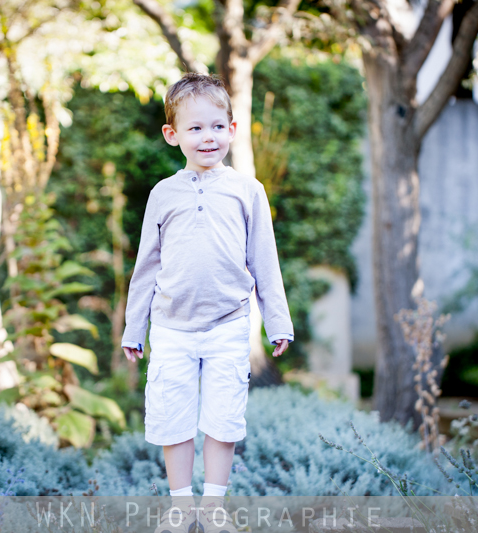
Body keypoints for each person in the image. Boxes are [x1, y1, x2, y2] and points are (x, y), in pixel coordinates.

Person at [121, 72, 294, 533]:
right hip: (171, 328)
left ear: (232, 130)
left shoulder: (247, 191)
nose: (208, 137)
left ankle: (214, 508)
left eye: (218, 126)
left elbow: (265, 261)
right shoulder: (163, 194)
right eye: (195, 128)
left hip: (228, 326)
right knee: (172, 419)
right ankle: (181, 508)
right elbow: (146, 267)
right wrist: (134, 328)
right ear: (172, 134)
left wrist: (277, 321)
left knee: (223, 420)